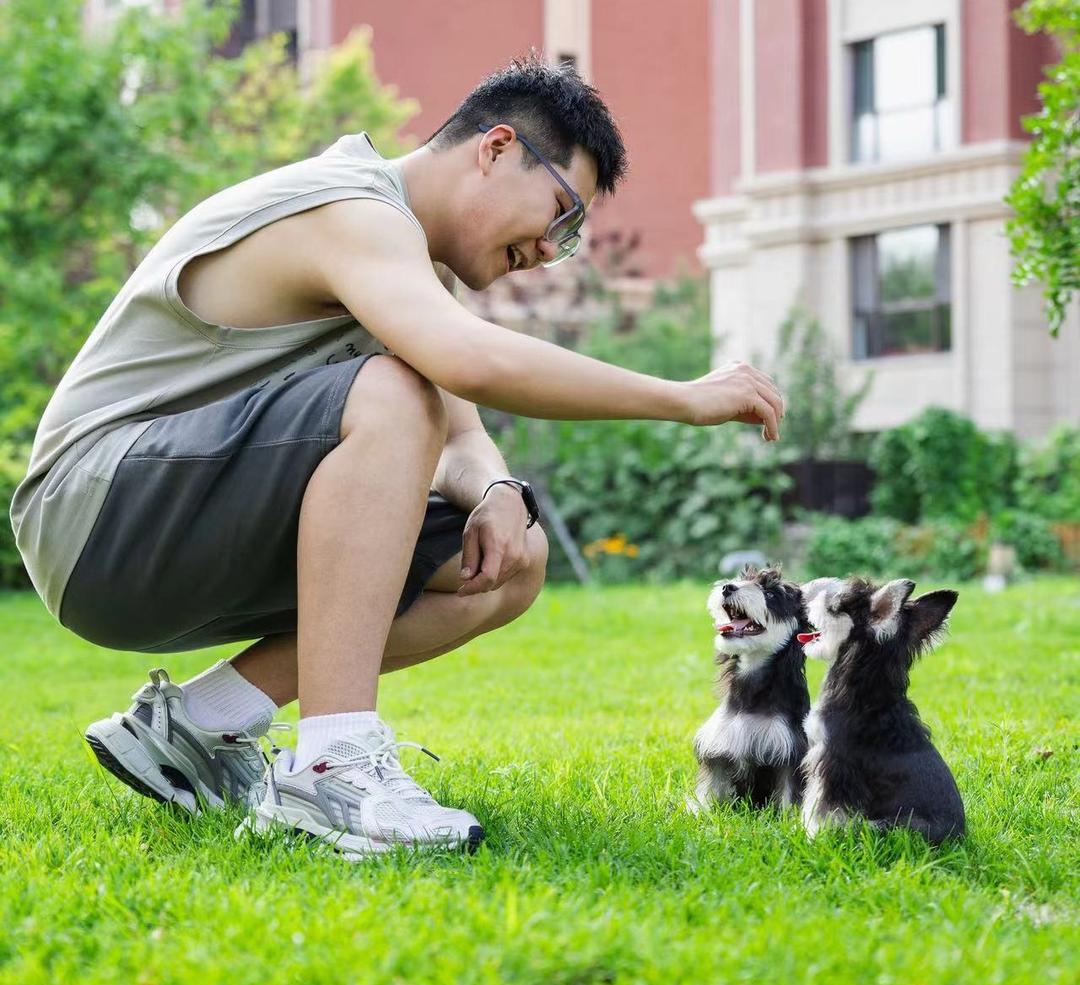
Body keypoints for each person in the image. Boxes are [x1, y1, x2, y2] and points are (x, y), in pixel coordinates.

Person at [9, 55, 784, 858]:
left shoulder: (407, 271)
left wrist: (496, 496)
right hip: (93, 514)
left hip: (172, 530)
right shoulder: (351, 209)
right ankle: (333, 763)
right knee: (391, 392)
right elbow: (463, 365)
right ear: (495, 148)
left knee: (512, 555)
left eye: (571, 236)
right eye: (559, 212)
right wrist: (682, 396)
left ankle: (196, 726)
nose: (550, 250)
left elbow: (460, 435)